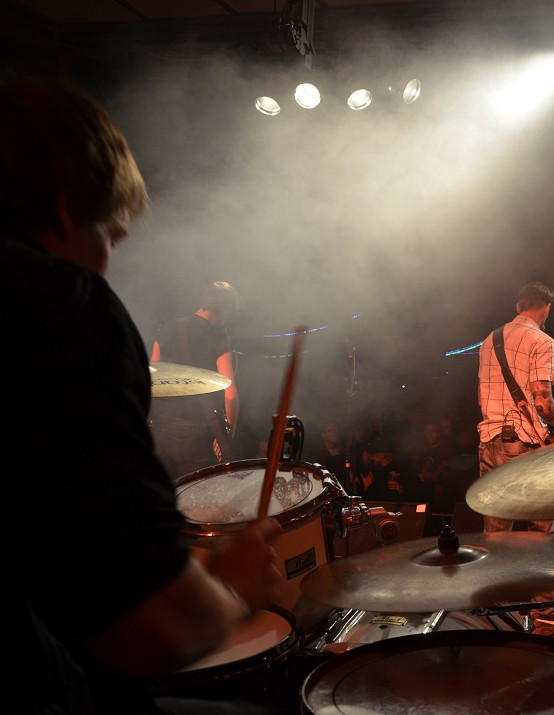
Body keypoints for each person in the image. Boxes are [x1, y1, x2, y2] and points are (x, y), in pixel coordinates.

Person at [1, 79, 282, 713]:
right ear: (67, 207)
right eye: (111, 237)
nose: (106, 264)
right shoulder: (60, 306)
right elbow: (149, 636)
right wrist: (231, 588)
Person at [477, 281, 554, 625]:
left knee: (497, 532)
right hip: (520, 444)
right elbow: (543, 403)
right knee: (540, 531)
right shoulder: (542, 340)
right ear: (544, 307)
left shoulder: (491, 339)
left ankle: (497, 610)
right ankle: (544, 609)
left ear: (519, 305)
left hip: (489, 441)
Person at [150, 280, 241, 481]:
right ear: (226, 311)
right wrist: (228, 431)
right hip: (195, 434)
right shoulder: (217, 337)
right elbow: (231, 394)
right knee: (196, 502)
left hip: (161, 429)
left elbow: (151, 380)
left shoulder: (166, 328)